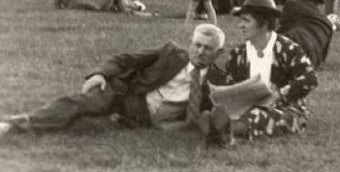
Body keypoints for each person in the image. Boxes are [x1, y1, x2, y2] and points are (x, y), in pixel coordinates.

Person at [0, 24, 225, 137]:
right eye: (197, 45)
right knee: (80, 104)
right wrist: (100, 74)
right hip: (121, 92)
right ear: (190, 42)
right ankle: (13, 123)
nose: (200, 51)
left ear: (218, 53)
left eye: (208, 48)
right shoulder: (171, 53)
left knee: (86, 127)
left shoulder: (215, 83)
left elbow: (213, 114)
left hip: (137, 118)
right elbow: (125, 59)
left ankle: (18, 129)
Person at [204, 0, 318, 146]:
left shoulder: (288, 48)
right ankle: (220, 128)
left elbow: (310, 79)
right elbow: (231, 84)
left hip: (284, 109)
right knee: (226, 111)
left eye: (246, 21)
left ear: (263, 23)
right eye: (241, 20)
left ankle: (223, 131)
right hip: (246, 106)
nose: (240, 25)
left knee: (262, 115)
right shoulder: (238, 53)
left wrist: (278, 94)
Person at [278, 0, 334, 69]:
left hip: (294, 44)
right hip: (312, 60)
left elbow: (281, 29)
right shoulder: (327, 22)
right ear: (316, 0)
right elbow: (323, 57)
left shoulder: (292, 4)